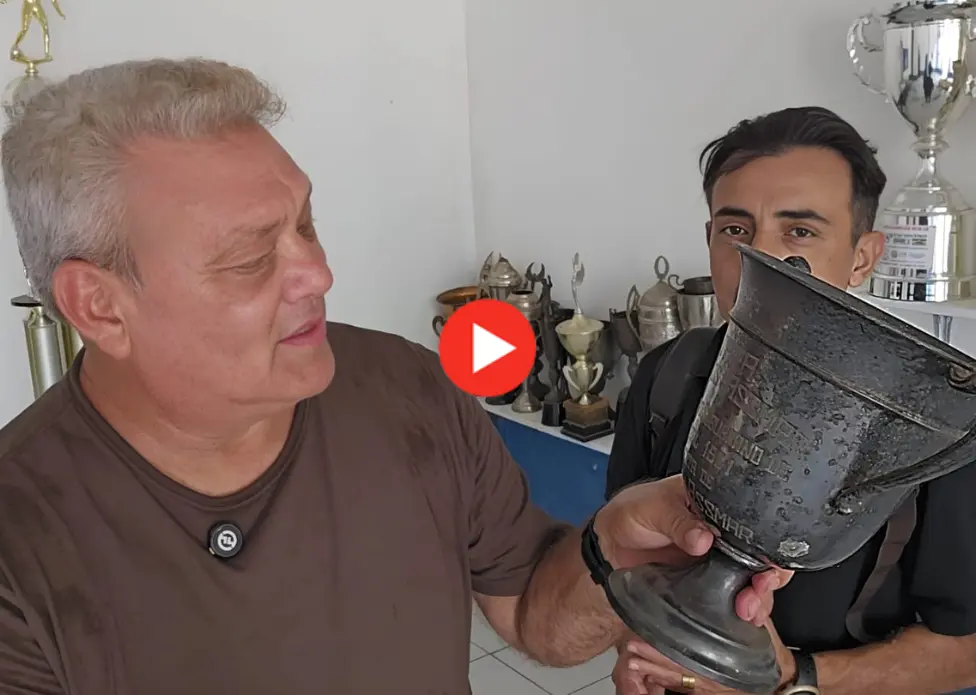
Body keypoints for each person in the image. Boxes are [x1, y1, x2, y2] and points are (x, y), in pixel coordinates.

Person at [0, 58, 789, 694]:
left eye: (305, 223)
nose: (318, 272)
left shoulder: (404, 391)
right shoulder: (22, 545)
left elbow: (532, 615)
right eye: (248, 259)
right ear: (98, 305)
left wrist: (611, 548)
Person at [607, 106, 976, 695]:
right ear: (709, 241)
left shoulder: (926, 423)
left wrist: (794, 678)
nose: (761, 257)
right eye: (735, 230)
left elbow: (964, 647)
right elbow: (620, 561)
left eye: (800, 231)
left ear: (862, 256)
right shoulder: (666, 375)